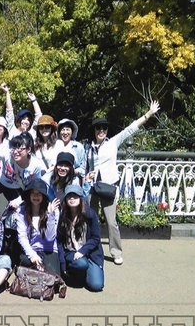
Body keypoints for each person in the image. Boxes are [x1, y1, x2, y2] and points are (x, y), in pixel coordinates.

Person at [87, 100, 160, 265]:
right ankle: (90, 248)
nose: (101, 131)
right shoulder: (88, 147)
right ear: (94, 130)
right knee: (90, 220)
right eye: (98, 128)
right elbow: (83, 166)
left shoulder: (112, 143)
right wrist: (86, 176)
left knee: (111, 222)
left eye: (104, 128)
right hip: (91, 188)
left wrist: (148, 114)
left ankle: (116, 252)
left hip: (107, 187)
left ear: (107, 130)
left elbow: (130, 129)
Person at [58, 185, 104, 292]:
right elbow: (59, 240)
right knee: (81, 264)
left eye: (75, 196)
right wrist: (62, 263)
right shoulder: (62, 215)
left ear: (80, 198)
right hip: (71, 252)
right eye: (69, 197)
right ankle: (76, 272)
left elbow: (96, 238)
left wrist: (83, 251)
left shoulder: (90, 214)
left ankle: (87, 272)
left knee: (96, 285)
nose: (72, 199)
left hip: (90, 253)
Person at [15, 178, 61, 276]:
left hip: (49, 250)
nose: (36, 196)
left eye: (39, 193)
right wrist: (32, 255)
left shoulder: (53, 210)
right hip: (32, 249)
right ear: (29, 195)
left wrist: (51, 215)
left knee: (53, 276)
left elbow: (50, 238)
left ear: (44, 196)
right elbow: (22, 237)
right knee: (25, 262)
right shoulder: (21, 211)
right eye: (33, 193)